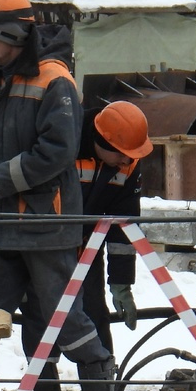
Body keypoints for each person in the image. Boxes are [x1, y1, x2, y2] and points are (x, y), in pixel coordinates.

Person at [0, 0, 117, 391]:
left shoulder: (55, 81)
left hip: (46, 227)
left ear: (11, 34)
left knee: (62, 317)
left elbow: (56, 152)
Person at [77, 100, 153, 356]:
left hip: (88, 247)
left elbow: (124, 227)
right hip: (46, 246)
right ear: (101, 142)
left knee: (94, 314)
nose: (127, 160)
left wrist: (121, 283)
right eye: (121, 153)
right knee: (45, 322)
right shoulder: (66, 142)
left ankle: (101, 389)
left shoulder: (128, 162)